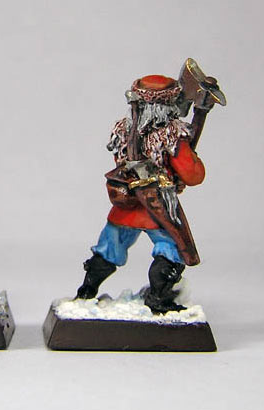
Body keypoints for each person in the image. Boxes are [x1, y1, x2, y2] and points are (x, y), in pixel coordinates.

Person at [76, 74, 206, 313]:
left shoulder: (123, 129)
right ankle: (158, 299)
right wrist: (190, 157)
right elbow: (193, 175)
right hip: (158, 210)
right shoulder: (171, 136)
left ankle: (87, 290)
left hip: (125, 207)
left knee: (109, 248)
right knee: (171, 251)